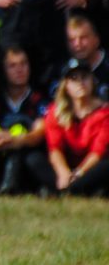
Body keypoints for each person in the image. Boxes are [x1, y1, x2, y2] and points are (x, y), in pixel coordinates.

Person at [0, 47, 48, 195]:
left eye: (23, 64)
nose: (19, 70)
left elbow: (40, 132)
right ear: (3, 70)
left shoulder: (39, 100)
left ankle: (9, 189)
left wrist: (15, 140)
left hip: (24, 157)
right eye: (12, 66)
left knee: (19, 128)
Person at [33, 58, 109, 196]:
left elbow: (98, 151)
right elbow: (55, 148)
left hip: (91, 168)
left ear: (92, 81)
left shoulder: (105, 112)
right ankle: (71, 189)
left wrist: (79, 173)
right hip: (66, 167)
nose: (80, 83)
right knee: (34, 158)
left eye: (84, 77)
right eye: (74, 78)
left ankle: (68, 190)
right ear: (66, 85)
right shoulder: (55, 111)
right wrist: (64, 173)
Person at [62, 12, 109, 99]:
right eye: (72, 40)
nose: (77, 44)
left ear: (96, 39)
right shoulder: (65, 71)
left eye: (83, 38)